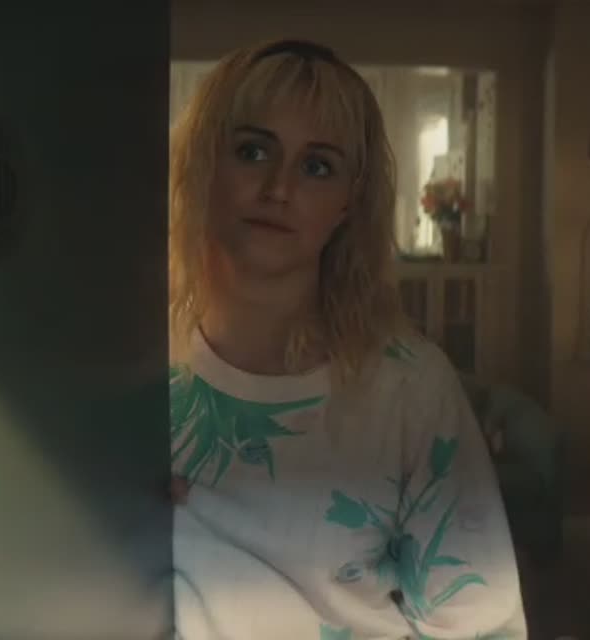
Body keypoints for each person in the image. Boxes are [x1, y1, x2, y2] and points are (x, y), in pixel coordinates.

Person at [166, 39, 526, 639]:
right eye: (252, 151)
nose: (279, 187)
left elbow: (480, 625)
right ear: (205, 164)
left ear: (348, 203)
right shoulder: (127, 368)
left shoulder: (409, 387)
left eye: (316, 166)